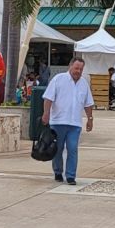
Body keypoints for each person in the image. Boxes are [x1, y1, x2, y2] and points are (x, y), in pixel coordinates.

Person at [42, 55, 94, 184]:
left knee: (72, 149)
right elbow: (48, 98)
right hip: (58, 122)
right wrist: (46, 113)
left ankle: (71, 176)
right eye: (76, 68)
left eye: (81, 69)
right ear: (70, 66)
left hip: (75, 124)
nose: (78, 71)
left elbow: (88, 103)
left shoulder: (84, 83)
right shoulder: (58, 79)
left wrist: (90, 118)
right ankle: (58, 172)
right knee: (58, 149)